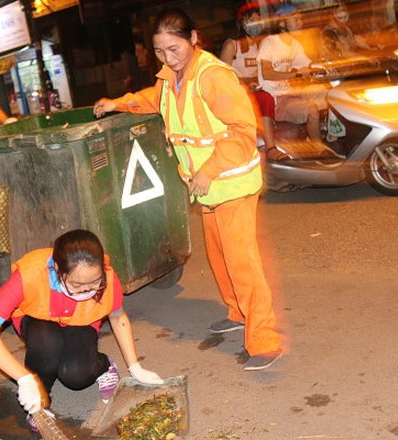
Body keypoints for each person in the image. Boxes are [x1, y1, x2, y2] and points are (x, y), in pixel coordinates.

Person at [93, 9, 283, 370]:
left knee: (242, 263)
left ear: (194, 39)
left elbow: (244, 131)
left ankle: (265, 341)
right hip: (208, 189)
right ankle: (238, 313)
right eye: (160, 51)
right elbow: (154, 99)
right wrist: (118, 103)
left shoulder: (213, 77)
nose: (167, 58)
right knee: (219, 257)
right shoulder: (170, 78)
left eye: (174, 49)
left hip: (231, 183)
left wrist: (210, 171)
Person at [0, 229, 163, 429]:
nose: (87, 290)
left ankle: (104, 365)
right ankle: (40, 404)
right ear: (57, 269)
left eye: (94, 282)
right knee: (47, 344)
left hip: (82, 321)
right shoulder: (30, 274)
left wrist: (135, 367)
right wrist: (24, 379)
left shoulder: (108, 277)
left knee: (75, 375)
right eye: (77, 284)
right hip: (37, 319)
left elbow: (118, 318)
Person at [256, 4, 329, 152]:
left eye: (300, 20)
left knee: (327, 92)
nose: (300, 23)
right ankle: (319, 149)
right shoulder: (270, 42)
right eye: (295, 20)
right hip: (275, 98)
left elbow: (308, 66)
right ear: (282, 23)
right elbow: (267, 73)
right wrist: (295, 74)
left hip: (289, 93)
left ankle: (330, 134)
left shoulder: (295, 45)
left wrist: (327, 66)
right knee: (311, 110)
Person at [221, 1, 288, 162]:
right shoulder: (233, 45)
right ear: (242, 23)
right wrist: (245, 84)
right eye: (250, 20)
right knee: (264, 98)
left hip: (261, 90)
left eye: (258, 20)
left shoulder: (264, 44)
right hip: (239, 95)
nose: (254, 24)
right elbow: (221, 75)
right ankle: (271, 147)